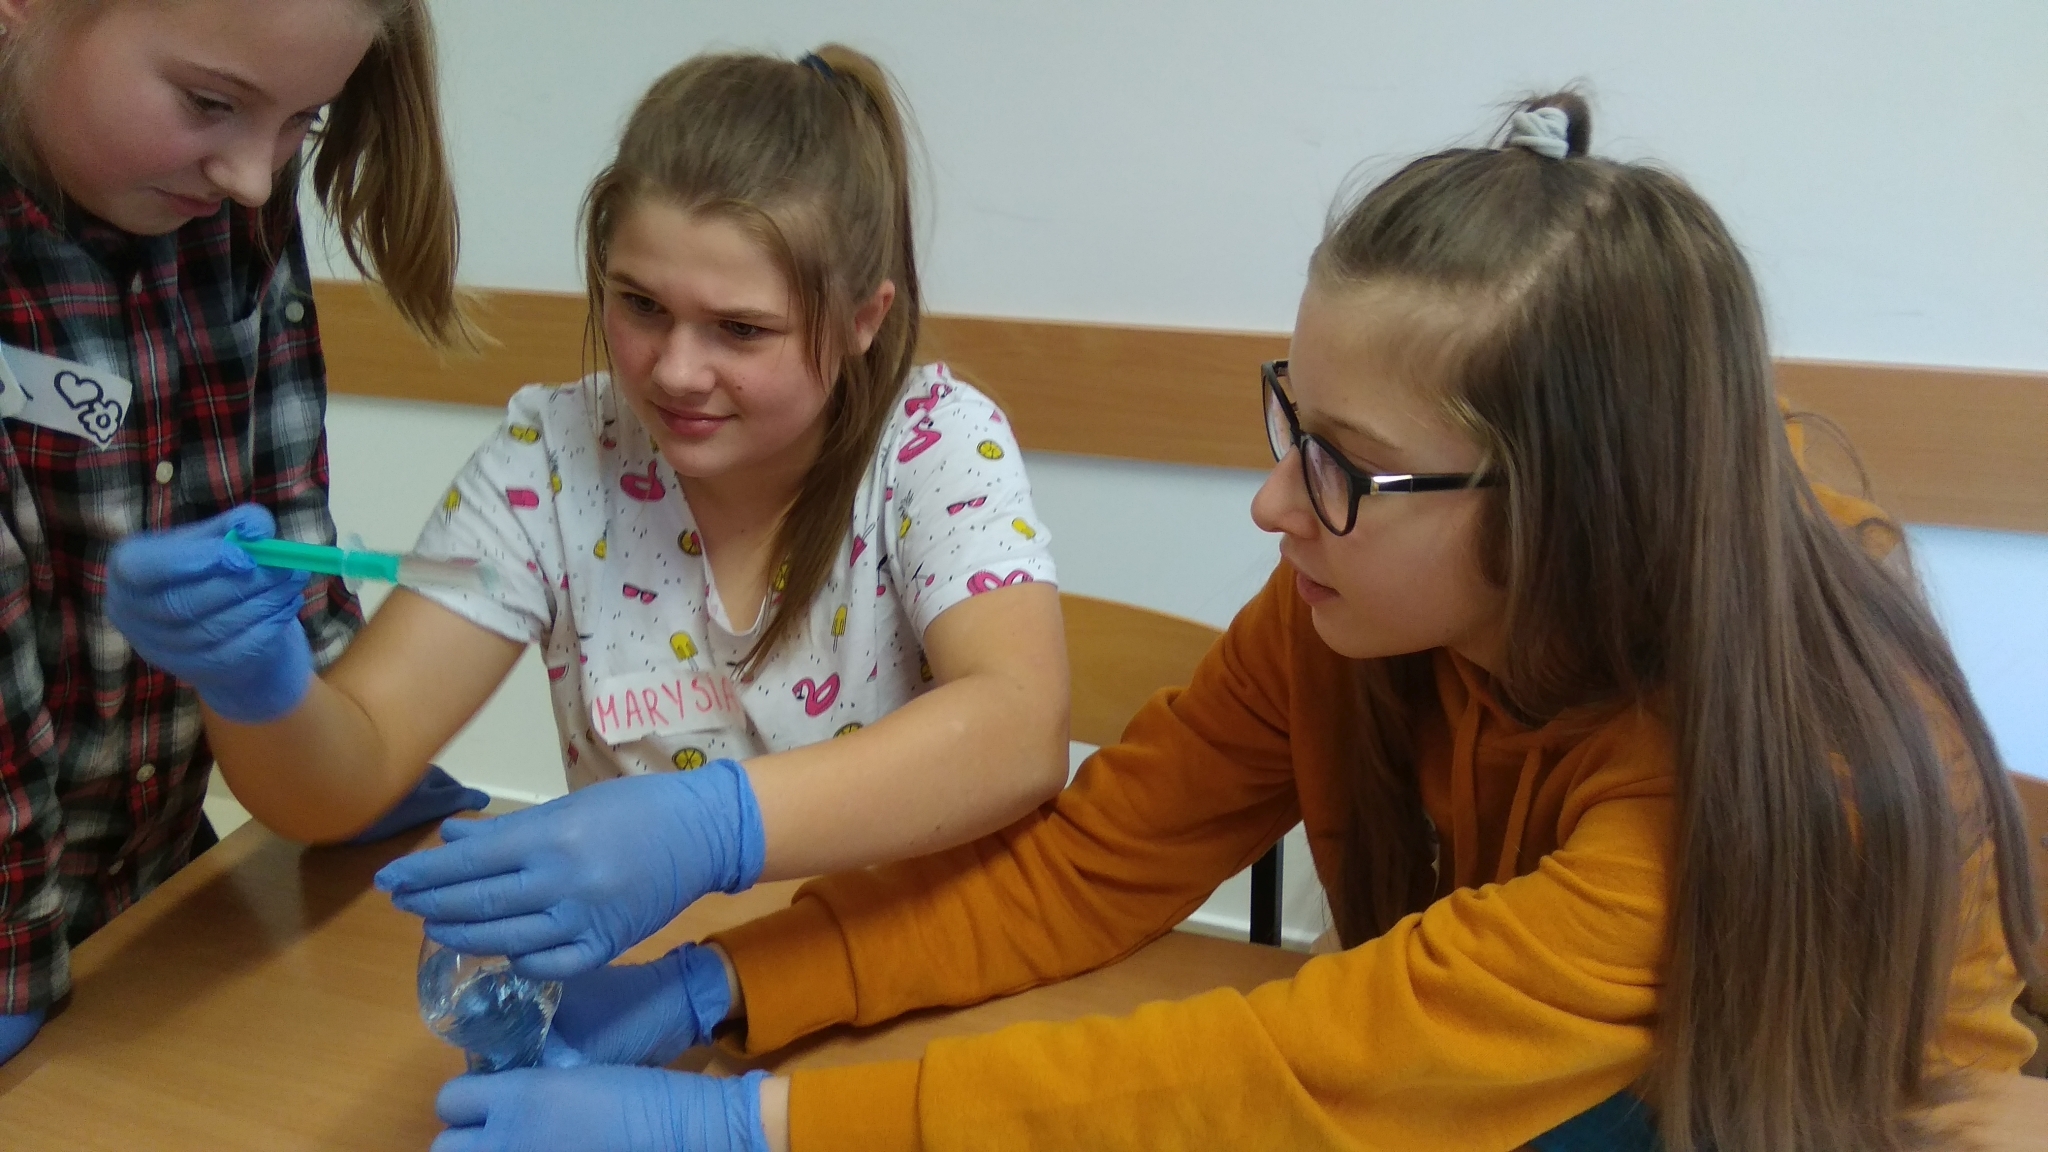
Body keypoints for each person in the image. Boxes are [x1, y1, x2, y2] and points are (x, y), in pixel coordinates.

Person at [413, 95, 2039, 1152]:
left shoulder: (1758, 776)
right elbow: (1086, 865)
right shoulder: (1358, 602)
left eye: (1344, 463)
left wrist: (753, 1127)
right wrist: (728, 988)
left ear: (1562, 507)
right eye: (1290, 418)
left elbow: (1295, 1074)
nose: (1273, 505)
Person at [111, 43, 1068, 1006]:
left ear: (865, 320)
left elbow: (1022, 730)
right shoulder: (556, 457)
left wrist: (713, 827)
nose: (675, 371)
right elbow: (340, 785)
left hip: (899, 982)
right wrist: (250, 680)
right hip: (646, 999)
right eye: (640, 305)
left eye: (741, 329)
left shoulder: (932, 444)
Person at [0, 0, 492, 1067]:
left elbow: (287, 508)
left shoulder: (216, 197)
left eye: (302, 121)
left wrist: (342, 750)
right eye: (209, 102)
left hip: (148, 895)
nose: (256, 180)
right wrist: (12, 962)